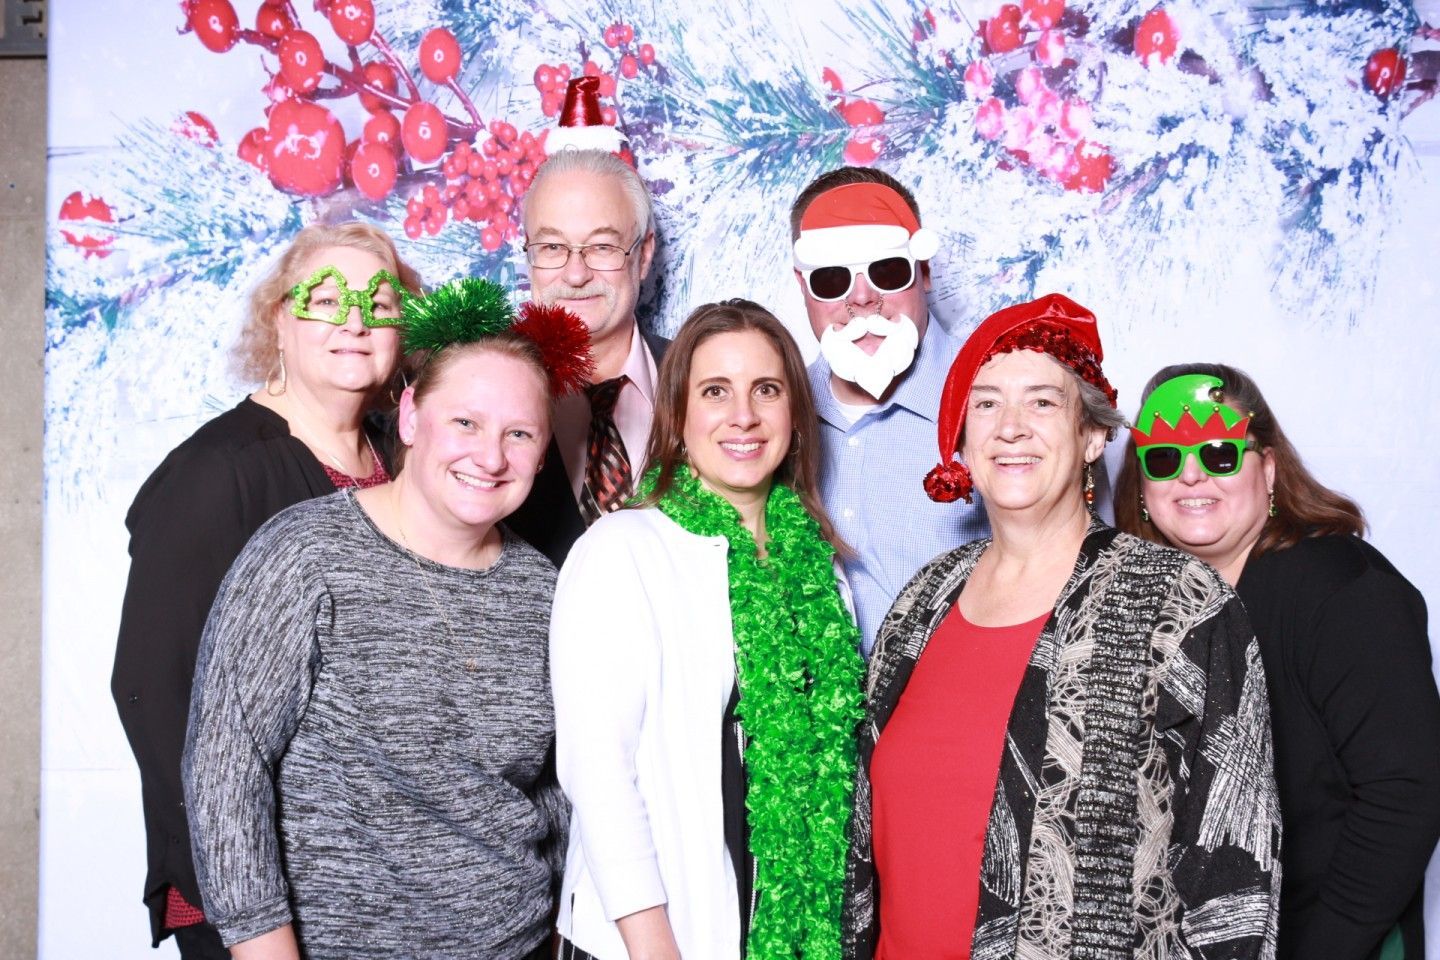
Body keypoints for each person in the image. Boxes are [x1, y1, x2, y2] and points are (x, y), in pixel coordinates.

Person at [843, 295, 1281, 960]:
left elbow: (1236, 870)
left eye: (1043, 402)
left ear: (1092, 436)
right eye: (986, 403)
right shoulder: (919, 606)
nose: (1011, 426)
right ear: (961, 438)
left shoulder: (1180, 602)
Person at [183, 279, 590, 959]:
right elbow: (226, 772)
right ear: (408, 418)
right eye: (465, 422)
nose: (490, 457)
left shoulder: (545, 591)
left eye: (518, 433)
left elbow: (556, 791)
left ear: (543, 452)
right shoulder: (305, 555)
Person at [110, 222, 422, 958]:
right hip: (252, 893)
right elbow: (153, 691)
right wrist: (241, 899)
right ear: (279, 319)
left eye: (378, 302)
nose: (353, 319)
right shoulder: (217, 472)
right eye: (325, 299)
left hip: (373, 884)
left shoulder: (400, 459)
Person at [550, 300, 865, 959]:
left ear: (795, 417)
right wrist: (654, 950)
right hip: (655, 939)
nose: (743, 415)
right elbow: (597, 774)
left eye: (767, 390)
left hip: (783, 928)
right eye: (715, 391)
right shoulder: (623, 551)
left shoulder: (818, 570)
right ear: (679, 414)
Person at [1115, 364, 1440, 960]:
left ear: (1267, 469)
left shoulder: (1342, 589)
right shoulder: (1155, 605)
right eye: (1163, 459)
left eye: (1218, 454)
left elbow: (1406, 795)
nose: (1190, 477)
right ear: (1141, 484)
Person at [791, 167, 987, 656]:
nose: (862, 298)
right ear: (803, 286)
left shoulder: (1001, 401)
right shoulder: (771, 418)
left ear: (923, 272)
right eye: (832, 279)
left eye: (887, 270)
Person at [506, 143, 670, 567]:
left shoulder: (703, 385)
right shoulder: (479, 392)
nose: (576, 275)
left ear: (644, 253)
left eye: (602, 247)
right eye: (553, 248)